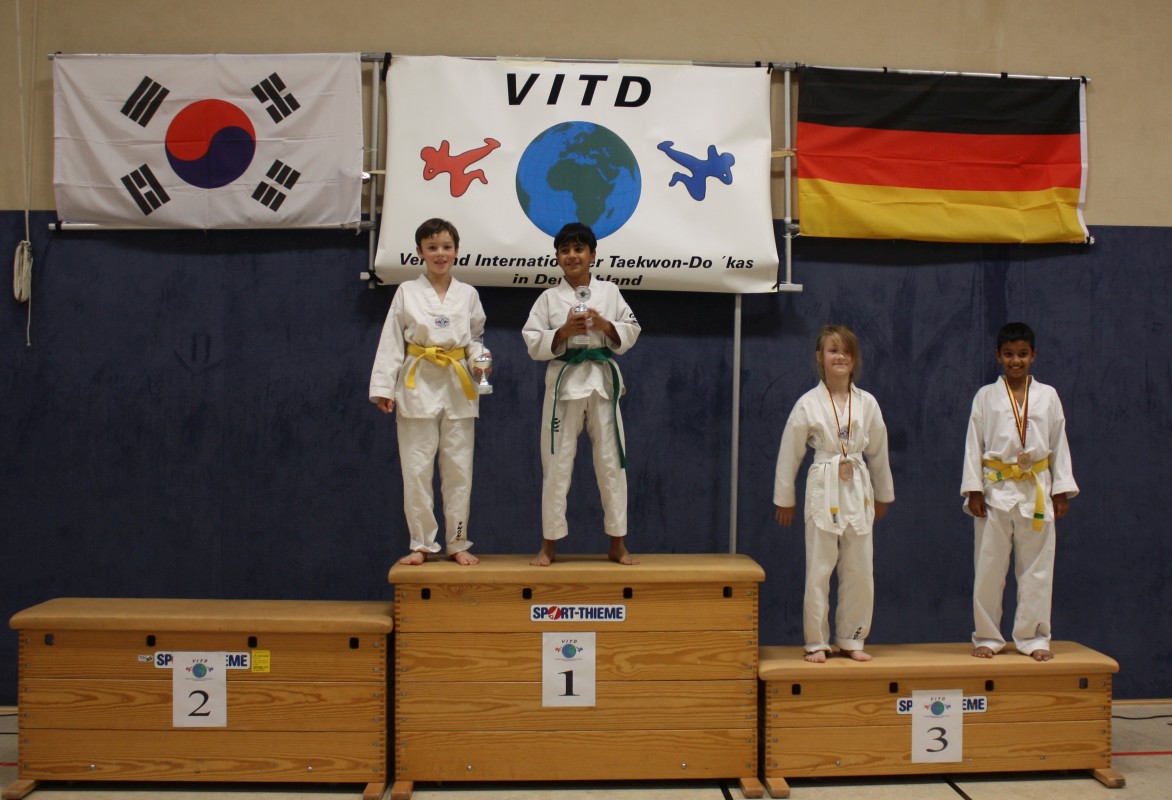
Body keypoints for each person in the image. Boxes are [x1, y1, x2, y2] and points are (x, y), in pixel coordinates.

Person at [369, 218, 489, 566]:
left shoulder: (468, 294)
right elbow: (392, 341)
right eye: (432, 247)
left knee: (459, 471)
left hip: (457, 386)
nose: (440, 253)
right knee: (417, 469)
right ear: (419, 252)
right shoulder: (406, 292)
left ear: (456, 251)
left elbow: (476, 338)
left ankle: (457, 541)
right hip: (417, 384)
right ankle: (421, 543)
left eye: (446, 247)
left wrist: (480, 361)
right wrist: (384, 388)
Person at [773, 325, 894, 662]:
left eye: (846, 351)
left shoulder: (867, 403)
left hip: (857, 484)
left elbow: (879, 450)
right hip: (824, 483)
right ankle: (816, 640)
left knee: (860, 569)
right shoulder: (808, 403)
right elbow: (790, 452)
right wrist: (785, 498)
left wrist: (883, 493)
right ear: (820, 357)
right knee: (819, 568)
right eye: (833, 350)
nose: (840, 357)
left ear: (855, 359)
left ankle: (852, 639)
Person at [522, 222, 641, 566]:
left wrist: (606, 326)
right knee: (556, 464)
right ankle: (548, 545)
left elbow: (632, 329)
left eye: (579, 249)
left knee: (612, 463)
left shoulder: (610, 292)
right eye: (565, 250)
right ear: (557, 257)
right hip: (564, 385)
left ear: (592, 255)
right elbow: (532, 340)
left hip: (601, 383)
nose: (572, 256)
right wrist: (562, 332)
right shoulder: (548, 298)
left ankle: (617, 543)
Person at [961, 322, 1077, 661]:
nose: (1016, 360)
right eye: (1009, 354)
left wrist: (1060, 490)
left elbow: (1059, 442)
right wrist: (974, 490)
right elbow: (974, 445)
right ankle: (987, 636)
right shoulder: (985, 396)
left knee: (1038, 569)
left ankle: (1035, 637)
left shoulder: (1048, 396)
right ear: (998, 356)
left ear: (1033, 356)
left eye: (1023, 354)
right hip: (995, 490)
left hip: (1036, 488)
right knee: (988, 568)